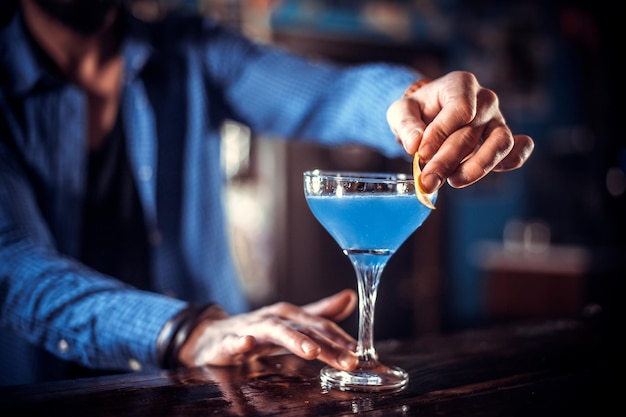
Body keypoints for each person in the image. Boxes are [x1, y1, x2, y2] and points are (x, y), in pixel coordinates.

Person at [0, 0, 534, 385]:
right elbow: (14, 262)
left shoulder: (193, 48)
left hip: (216, 380)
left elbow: (330, 95)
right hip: (45, 389)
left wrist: (416, 101)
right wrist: (185, 331)